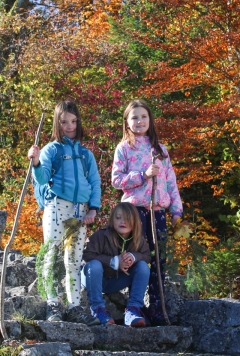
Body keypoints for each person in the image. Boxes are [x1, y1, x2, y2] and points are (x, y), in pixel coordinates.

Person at [28, 100, 101, 325]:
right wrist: (37, 161)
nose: (69, 126)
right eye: (64, 122)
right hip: (56, 208)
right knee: (52, 255)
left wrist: (93, 208)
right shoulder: (51, 149)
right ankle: (53, 304)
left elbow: (95, 182)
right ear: (56, 123)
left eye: (73, 121)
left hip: (80, 211)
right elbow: (41, 178)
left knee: (74, 259)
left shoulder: (86, 154)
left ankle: (74, 307)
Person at [111, 99, 183, 325]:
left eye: (143, 117)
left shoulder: (160, 149)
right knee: (136, 258)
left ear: (150, 120)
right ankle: (134, 307)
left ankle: (157, 307)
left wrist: (176, 210)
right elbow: (116, 180)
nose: (139, 121)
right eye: (134, 117)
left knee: (158, 259)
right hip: (134, 211)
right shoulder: (124, 148)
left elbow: (171, 180)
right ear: (127, 122)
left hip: (158, 211)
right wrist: (142, 175)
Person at [81, 202, 151, 327]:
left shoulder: (138, 239)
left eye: (127, 218)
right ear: (112, 220)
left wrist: (134, 257)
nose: (122, 222)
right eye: (118, 218)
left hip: (116, 281)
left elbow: (147, 256)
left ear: (135, 221)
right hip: (93, 278)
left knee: (142, 266)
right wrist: (114, 261)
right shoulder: (101, 236)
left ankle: (133, 310)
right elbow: (87, 256)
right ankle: (98, 310)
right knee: (95, 265)